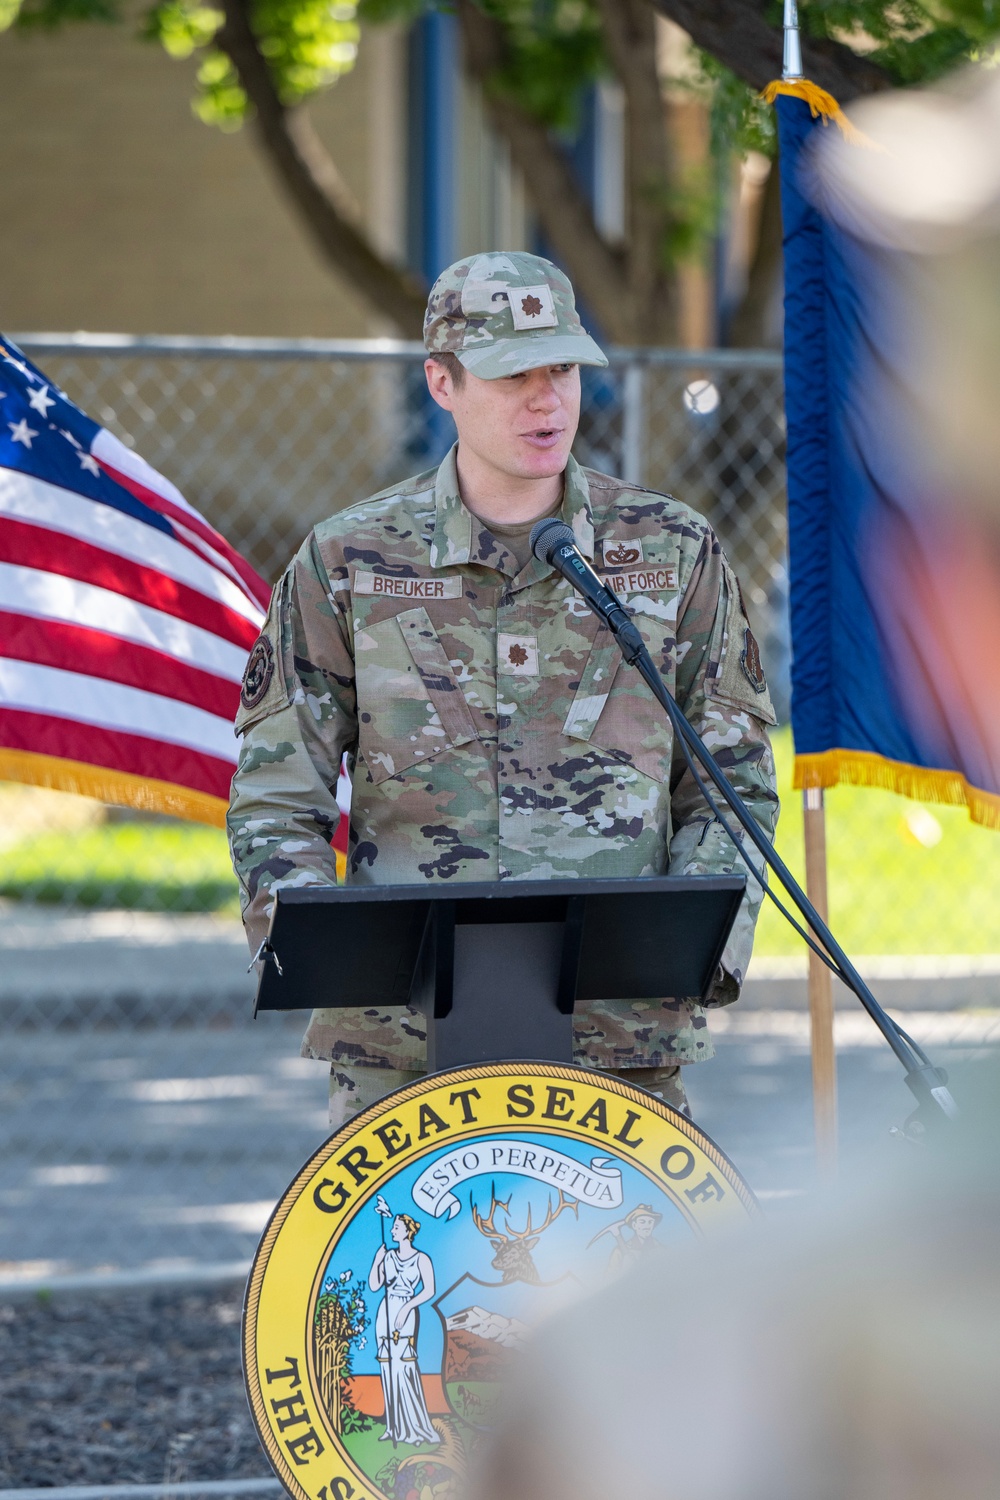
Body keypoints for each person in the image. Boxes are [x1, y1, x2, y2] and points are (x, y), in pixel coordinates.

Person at [227, 250, 779, 1124]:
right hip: (401, 1052)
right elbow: (275, 795)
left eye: (561, 368)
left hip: (618, 1048)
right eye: (512, 373)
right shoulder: (350, 562)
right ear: (441, 382)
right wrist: (323, 958)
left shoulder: (672, 553)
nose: (547, 398)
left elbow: (732, 788)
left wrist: (687, 954)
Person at [369, 1212, 438, 1448]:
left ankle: (413, 1427)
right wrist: (377, 1261)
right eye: (392, 1228)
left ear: (407, 1231)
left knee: (404, 1366)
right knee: (387, 1367)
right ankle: (393, 1426)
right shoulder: (388, 1256)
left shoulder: (421, 1259)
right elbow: (375, 1285)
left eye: (396, 1227)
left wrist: (407, 1307)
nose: (392, 1231)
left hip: (406, 1311)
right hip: (385, 1310)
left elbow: (429, 1290)